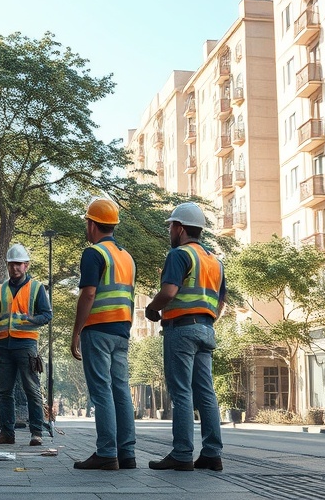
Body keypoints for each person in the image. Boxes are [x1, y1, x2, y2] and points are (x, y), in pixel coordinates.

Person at [144, 202, 226, 472]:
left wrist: (152, 308)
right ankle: (212, 454)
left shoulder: (179, 255)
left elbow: (168, 292)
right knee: (206, 393)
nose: (169, 230)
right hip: (206, 328)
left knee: (181, 392)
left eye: (171, 226)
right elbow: (221, 299)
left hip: (181, 330)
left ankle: (182, 454)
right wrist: (208, 318)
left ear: (179, 228)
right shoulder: (215, 261)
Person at [71, 199, 137, 471]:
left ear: (92, 224)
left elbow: (88, 293)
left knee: (102, 392)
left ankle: (107, 452)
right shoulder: (127, 257)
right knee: (121, 390)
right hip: (122, 331)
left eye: (87, 222)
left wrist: (76, 332)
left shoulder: (94, 253)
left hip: (98, 329)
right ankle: (127, 454)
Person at [0, 244, 53, 446]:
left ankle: (36, 433)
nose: (14, 268)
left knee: (32, 390)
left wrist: (31, 319)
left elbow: (47, 315)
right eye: (11, 264)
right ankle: (7, 433)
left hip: (26, 346)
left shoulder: (37, 288)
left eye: (18, 264)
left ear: (26, 265)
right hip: (3, 346)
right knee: (3, 392)